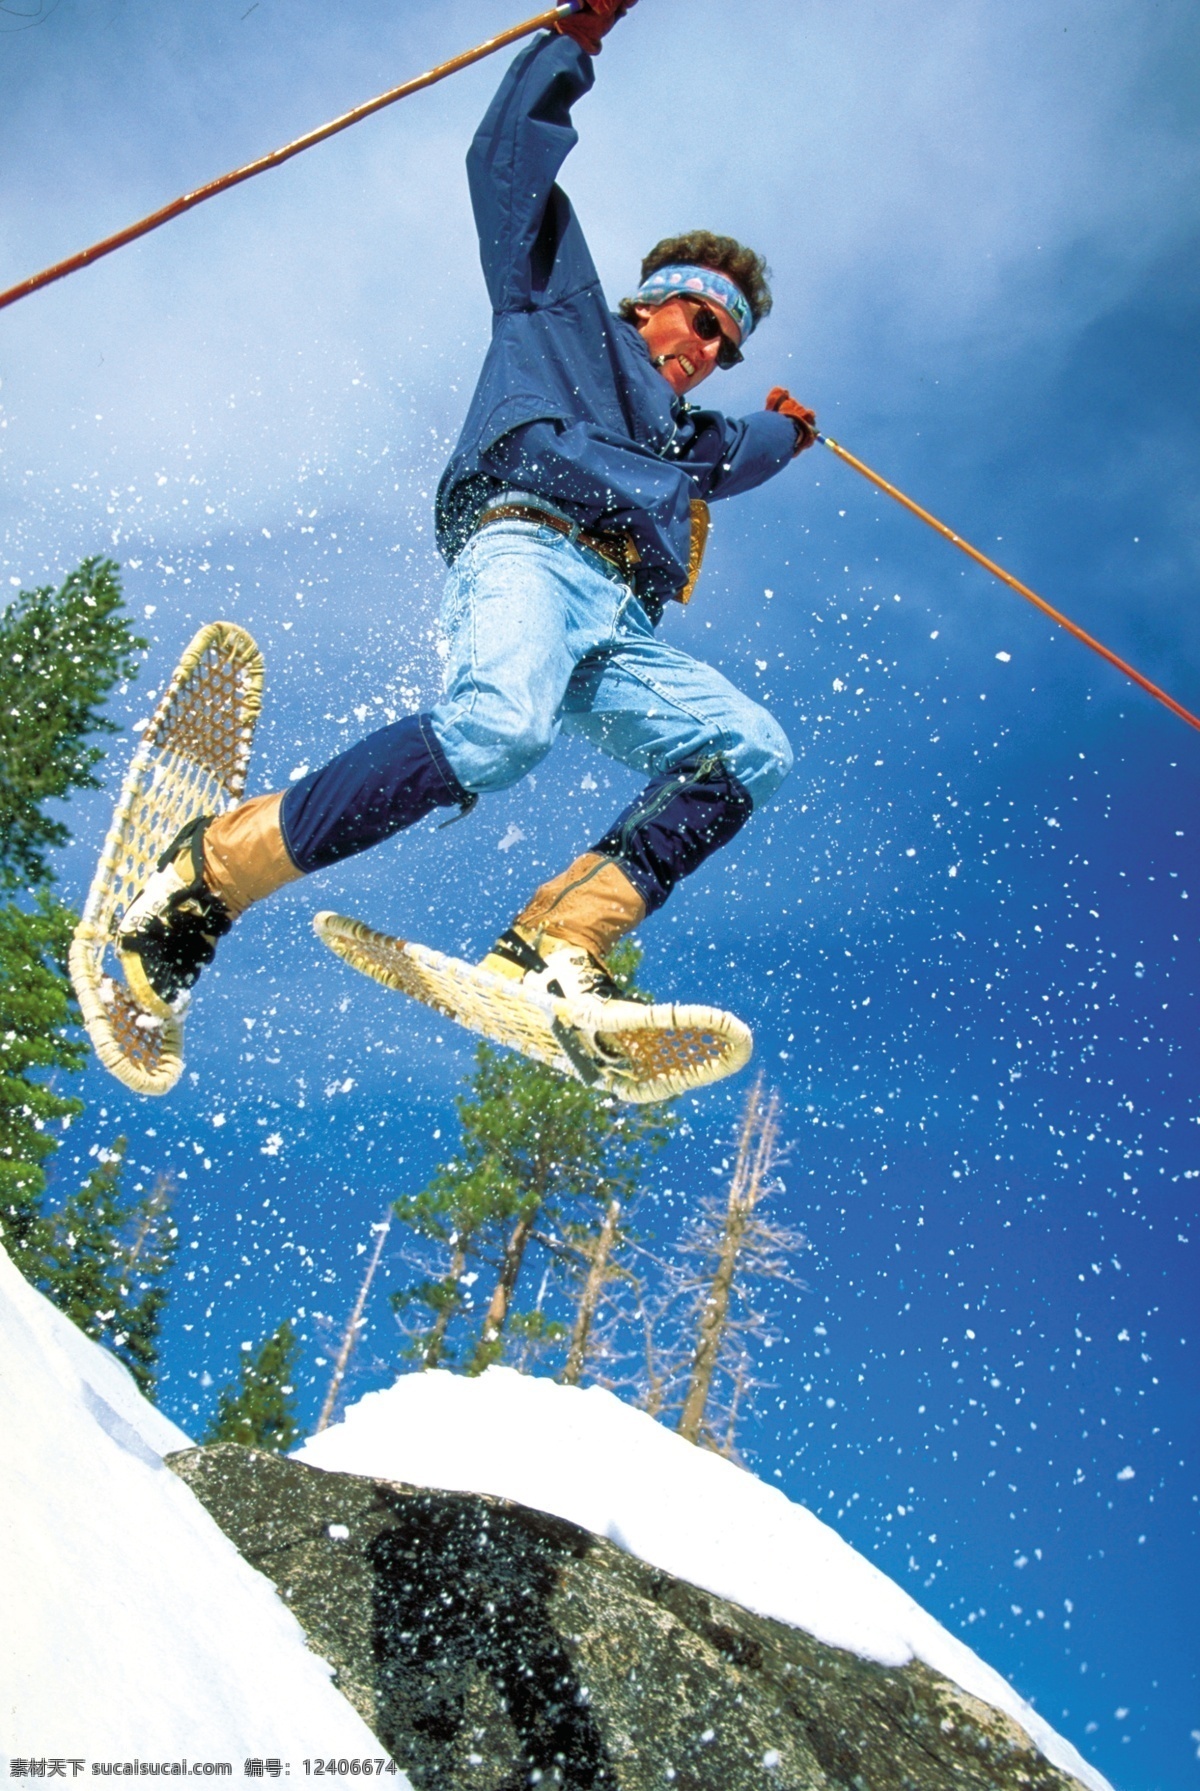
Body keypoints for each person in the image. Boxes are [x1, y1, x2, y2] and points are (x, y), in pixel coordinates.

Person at [117, 0, 818, 1046]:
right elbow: (504, 169)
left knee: (751, 750)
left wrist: (788, 437)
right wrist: (570, 47)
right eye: (706, 322)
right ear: (654, 303)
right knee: (499, 728)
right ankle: (211, 872)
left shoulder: (683, 438)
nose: (711, 349)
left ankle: (556, 948)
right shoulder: (563, 309)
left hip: (618, 623)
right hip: (530, 541)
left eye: (731, 345)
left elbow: (734, 460)